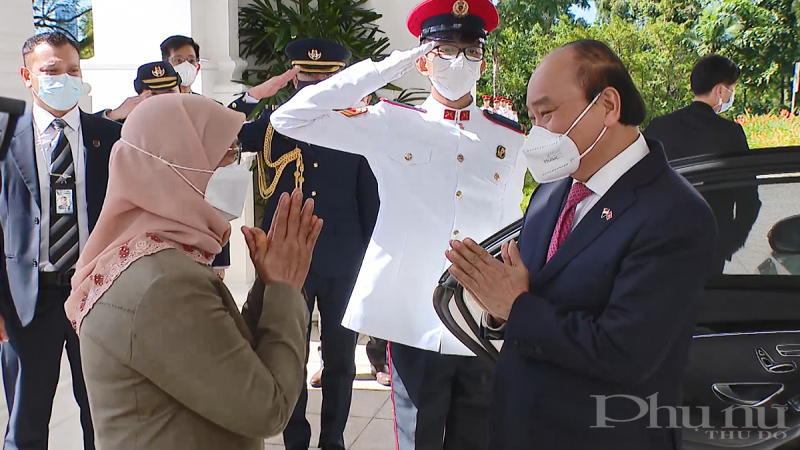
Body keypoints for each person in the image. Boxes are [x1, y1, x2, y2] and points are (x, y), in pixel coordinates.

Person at [269, 1, 527, 448]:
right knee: (417, 441)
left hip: (482, 320)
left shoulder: (509, 135)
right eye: (446, 48)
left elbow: (518, 221)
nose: (459, 60)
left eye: (470, 49)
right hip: (415, 317)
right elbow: (289, 117)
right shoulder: (390, 123)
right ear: (425, 58)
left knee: (477, 440)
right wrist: (396, 63)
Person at [445, 39, 718, 450]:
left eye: (548, 113)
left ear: (608, 105)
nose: (538, 133)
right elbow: (532, 298)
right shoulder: (553, 190)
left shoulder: (675, 214)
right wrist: (499, 311)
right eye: (532, 117)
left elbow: (625, 354)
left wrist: (514, 307)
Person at [64, 93, 320, 450]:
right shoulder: (164, 283)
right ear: (179, 167)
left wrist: (268, 283)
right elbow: (267, 408)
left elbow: (221, 354)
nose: (238, 163)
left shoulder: (145, 255)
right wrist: (285, 290)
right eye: (227, 152)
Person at [240, 38, 379, 450]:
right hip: (285, 264)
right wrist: (251, 97)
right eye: (305, 75)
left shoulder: (359, 125)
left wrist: (374, 263)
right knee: (288, 357)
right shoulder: (276, 122)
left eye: (324, 76)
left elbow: (368, 199)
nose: (313, 83)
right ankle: (295, 440)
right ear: (293, 75)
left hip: (342, 260)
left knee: (340, 361)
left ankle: (332, 440)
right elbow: (222, 133)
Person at [0, 31, 123, 450]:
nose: (64, 78)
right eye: (51, 70)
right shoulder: (5, 137)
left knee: (105, 417)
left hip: (98, 297)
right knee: (26, 424)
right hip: (27, 303)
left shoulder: (109, 138)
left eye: (73, 70)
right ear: (27, 76)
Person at [644, 54, 761, 273]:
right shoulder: (730, 133)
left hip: (660, 248)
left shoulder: (658, 127)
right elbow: (749, 201)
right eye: (731, 88)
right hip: (707, 250)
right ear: (720, 90)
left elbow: (639, 188)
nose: (731, 95)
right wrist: (726, 246)